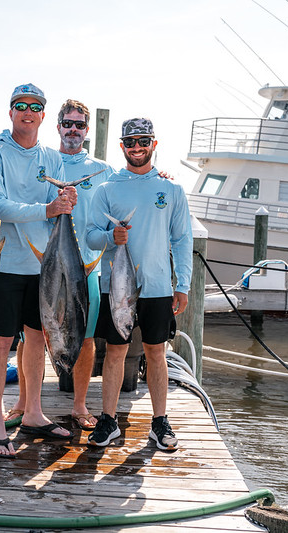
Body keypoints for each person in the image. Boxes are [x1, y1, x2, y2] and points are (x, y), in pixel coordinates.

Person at [0, 83, 77, 458]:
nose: (27, 112)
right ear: (11, 112)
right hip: (4, 265)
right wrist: (49, 209)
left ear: (43, 116)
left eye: (35, 107)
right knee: (2, 342)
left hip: (45, 268)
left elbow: (59, 204)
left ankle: (33, 412)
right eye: (20, 105)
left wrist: (66, 201)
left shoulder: (52, 158)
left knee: (38, 339)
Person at [4, 99, 114, 431]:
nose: (73, 130)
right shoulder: (44, 162)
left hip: (87, 265)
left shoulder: (103, 170)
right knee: (29, 337)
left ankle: (79, 405)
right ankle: (24, 402)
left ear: (87, 130)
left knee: (86, 337)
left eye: (80, 125)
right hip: (44, 264)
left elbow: (126, 189)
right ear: (58, 126)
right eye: (68, 123)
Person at [84, 117, 193, 451]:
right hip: (117, 288)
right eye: (130, 142)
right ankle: (108, 420)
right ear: (122, 146)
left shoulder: (171, 189)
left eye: (143, 141)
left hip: (158, 286)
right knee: (114, 353)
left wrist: (183, 283)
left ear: (153, 144)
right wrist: (110, 236)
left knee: (156, 352)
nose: (137, 148)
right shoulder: (107, 189)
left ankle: (160, 423)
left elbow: (182, 238)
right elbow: (90, 236)